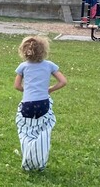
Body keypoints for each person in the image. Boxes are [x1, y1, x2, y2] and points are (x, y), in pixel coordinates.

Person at [14, 35, 67, 171]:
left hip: (27, 104)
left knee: (26, 132)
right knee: (43, 131)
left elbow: (17, 86)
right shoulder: (49, 65)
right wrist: (50, 89)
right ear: (44, 50)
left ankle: (27, 160)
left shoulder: (23, 67)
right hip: (43, 103)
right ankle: (40, 162)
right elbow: (63, 81)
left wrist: (28, 90)